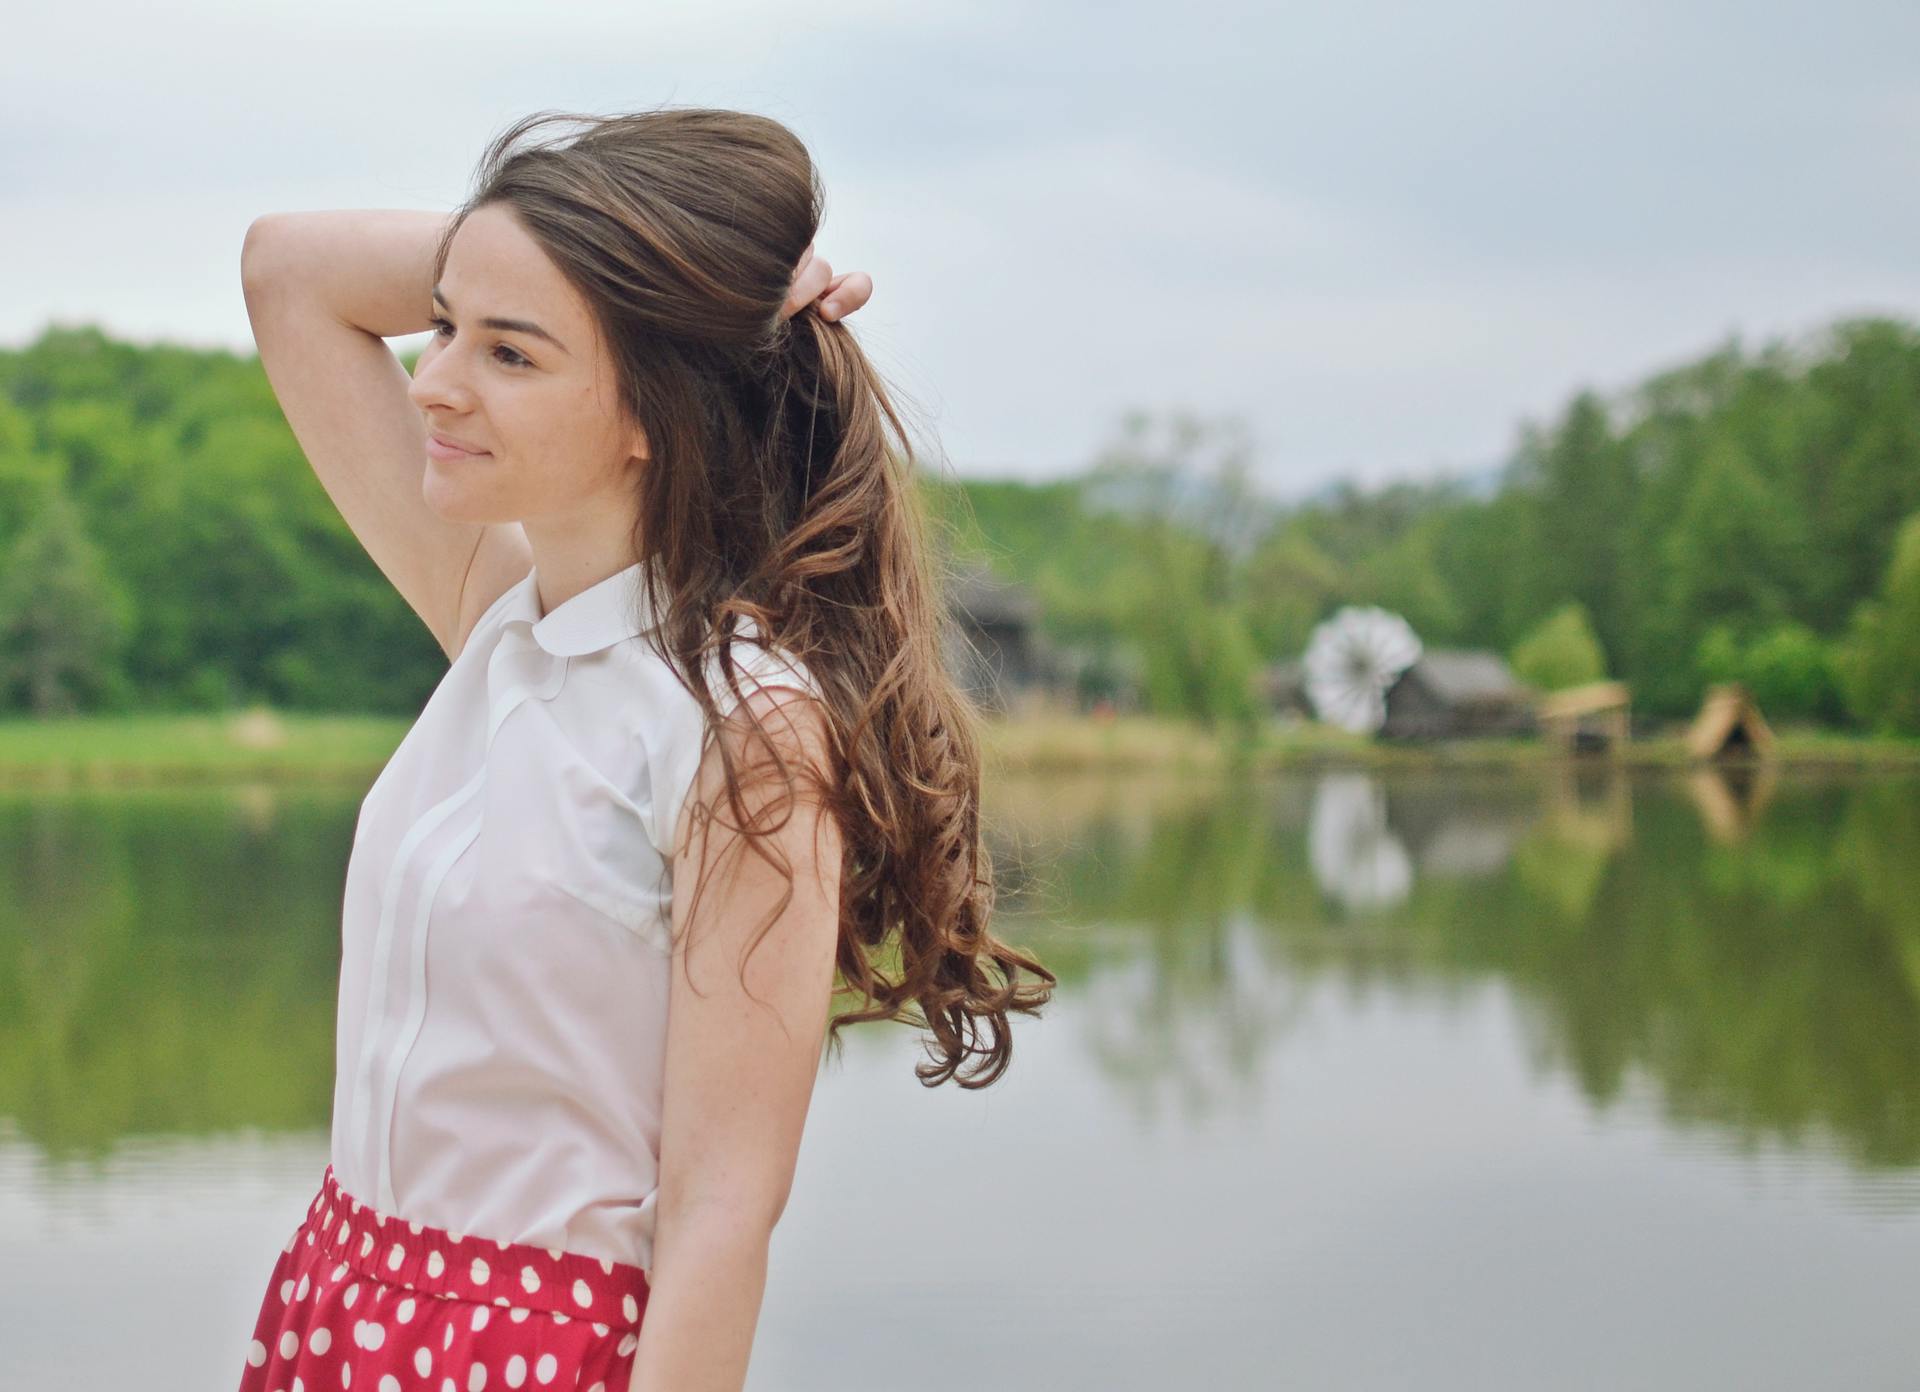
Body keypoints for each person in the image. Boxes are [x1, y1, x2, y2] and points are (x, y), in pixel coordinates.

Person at [234, 107, 1056, 1392]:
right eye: (445, 325)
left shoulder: (745, 727)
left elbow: (724, 1210)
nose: (434, 379)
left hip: (530, 1357)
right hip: (342, 1314)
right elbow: (288, 271)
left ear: (652, 412)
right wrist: (628, 265)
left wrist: (665, 300)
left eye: (509, 352)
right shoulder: (502, 624)